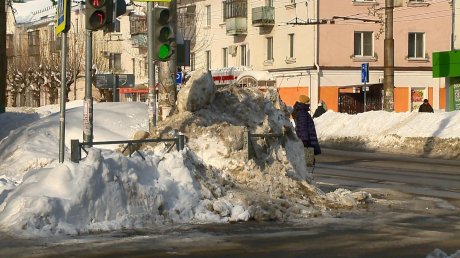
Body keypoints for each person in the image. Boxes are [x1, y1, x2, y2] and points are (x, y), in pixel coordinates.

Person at [292, 95, 321, 166]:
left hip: (307, 136)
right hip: (306, 137)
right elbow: (303, 127)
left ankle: (307, 163)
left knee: (306, 155)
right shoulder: (302, 112)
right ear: (304, 102)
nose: (309, 103)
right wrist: (305, 140)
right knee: (306, 155)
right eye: (308, 102)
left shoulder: (302, 111)